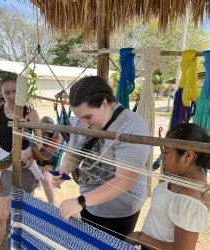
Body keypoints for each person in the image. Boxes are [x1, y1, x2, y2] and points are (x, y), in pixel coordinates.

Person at [52, 76, 150, 240]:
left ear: (104, 103)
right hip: (88, 205)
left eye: (88, 117)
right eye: (80, 118)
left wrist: (80, 201)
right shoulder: (82, 120)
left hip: (117, 211)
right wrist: (65, 168)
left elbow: (123, 182)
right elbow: (73, 152)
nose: (84, 124)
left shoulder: (132, 128)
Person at [126, 123, 210, 250]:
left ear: (188, 156)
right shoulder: (180, 178)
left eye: (166, 151)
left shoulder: (190, 198)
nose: (162, 156)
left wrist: (140, 238)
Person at [0, 70, 41, 250]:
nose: (11, 96)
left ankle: (21, 246)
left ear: (23, 91)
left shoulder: (31, 113)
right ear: (1, 92)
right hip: (3, 166)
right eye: (7, 92)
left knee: (24, 214)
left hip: (26, 167)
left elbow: (40, 141)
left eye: (15, 92)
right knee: (1, 215)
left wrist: (32, 152)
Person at [37, 116, 58, 203]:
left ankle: (51, 204)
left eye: (48, 132)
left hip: (50, 163)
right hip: (38, 162)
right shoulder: (36, 135)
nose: (46, 134)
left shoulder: (56, 136)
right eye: (43, 131)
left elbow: (52, 153)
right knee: (28, 176)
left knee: (45, 179)